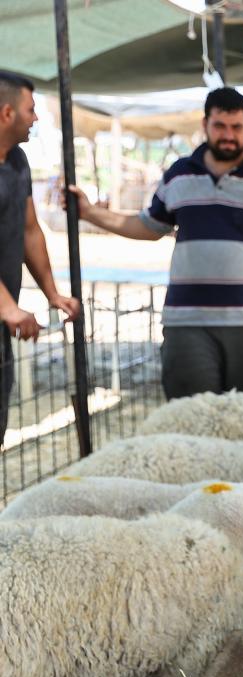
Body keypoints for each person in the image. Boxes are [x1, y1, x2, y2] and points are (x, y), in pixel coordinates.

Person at [66, 87, 243, 398]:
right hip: (188, 322)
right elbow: (149, 226)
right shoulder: (179, 175)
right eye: (220, 126)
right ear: (205, 125)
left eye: (237, 127)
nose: (228, 135)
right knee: (189, 416)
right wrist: (90, 213)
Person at [0, 72, 81, 443]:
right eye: (31, 110)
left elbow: (30, 229)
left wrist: (52, 292)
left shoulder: (16, 162)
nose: (35, 119)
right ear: (6, 113)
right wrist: (9, 307)